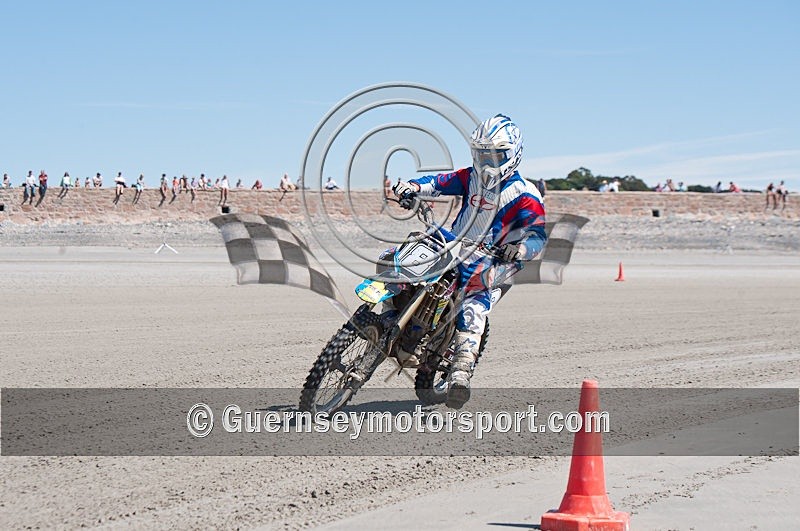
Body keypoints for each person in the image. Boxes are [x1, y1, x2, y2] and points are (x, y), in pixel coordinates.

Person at [392, 114, 546, 408]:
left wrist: (520, 249)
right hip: (457, 242)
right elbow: (437, 183)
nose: (486, 161)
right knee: (411, 251)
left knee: (474, 296)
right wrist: (411, 187)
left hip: (496, 258)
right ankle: (384, 312)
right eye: (481, 154)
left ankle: (461, 371)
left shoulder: (525, 193)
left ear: (512, 154)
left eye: (494, 155)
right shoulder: (470, 177)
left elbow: (537, 233)